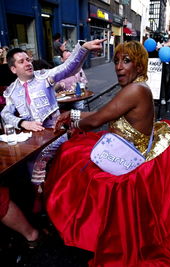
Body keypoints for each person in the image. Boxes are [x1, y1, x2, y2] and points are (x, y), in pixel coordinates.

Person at [45, 41, 170, 267]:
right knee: (73, 152)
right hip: (121, 145)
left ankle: (82, 224)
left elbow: (97, 119)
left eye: (126, 61)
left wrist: (71, 117)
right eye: (117, 61)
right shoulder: (136, 87)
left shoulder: (135, 90)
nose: (118, 66)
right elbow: (101, 114)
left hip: (129, 156)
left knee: (71, 157)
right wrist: (76, 118)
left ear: (139, 66)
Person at [1, 39, 105, 211]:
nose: (28, 63)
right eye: (22, 61)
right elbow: (5, 113)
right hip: (33, 140)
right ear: (13, 69)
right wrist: (23, 122)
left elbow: (69, 67)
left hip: (56, 134)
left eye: (28, 59)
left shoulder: (44, 77)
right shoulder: (12, 90)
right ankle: (44, 199)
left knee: (38, 161)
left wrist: (83, 48)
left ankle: (46, 202)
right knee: (26, 163)